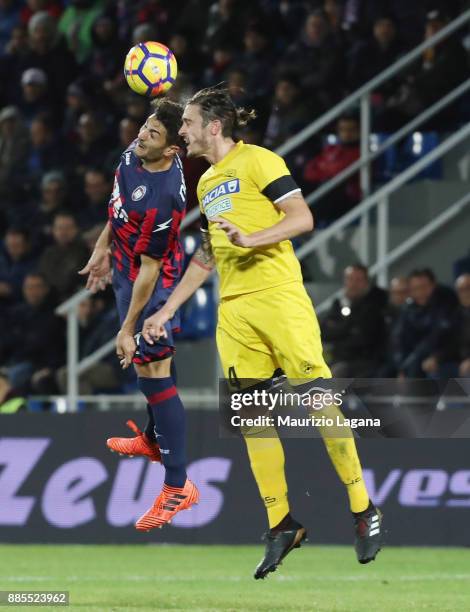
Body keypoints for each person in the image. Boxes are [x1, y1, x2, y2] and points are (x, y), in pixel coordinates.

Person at [141, 87, 383, 579]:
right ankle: (282, 524)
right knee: (252, 417)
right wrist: (166, 309)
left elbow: (302, 218)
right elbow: (207, 255)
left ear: (213, 126)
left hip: (278, 296)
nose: (180, 131)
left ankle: (362, 508)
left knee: (318, 400)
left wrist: (254, 238)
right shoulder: (206, 182)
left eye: (186, 123)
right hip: (234, 311)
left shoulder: (261, 161)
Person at [79, 98, 199, 531]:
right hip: (127, 270)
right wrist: (102, 247)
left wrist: (127, 328)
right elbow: (118, 206)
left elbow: (151, 267)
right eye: (144, 127)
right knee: (152, 375)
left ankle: (177, 485)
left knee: (154, 373)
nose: (141, 135)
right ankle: (151, 439)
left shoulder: (165, 196)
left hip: (154, 284)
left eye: (152, 133)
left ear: (171, 150)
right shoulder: (136, 153)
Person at [321, 264, 388, 377]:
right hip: (339, 359)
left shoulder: (377, 304)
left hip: (366, 361)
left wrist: (340, 327)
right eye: (350, 279)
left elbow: (364, 337)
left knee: (335, 374)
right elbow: (324, 332)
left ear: (366, 282)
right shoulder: (338, 303)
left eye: (358, 280)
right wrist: (348, 328)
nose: (353, 284)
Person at [392, 268, 458, 378]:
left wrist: (437, 357)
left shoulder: (447, 303)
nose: (420, 293)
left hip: (444, 357)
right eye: (415, 289)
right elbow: (398, 341)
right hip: (415, 360)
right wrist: (402, 366)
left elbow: (449, 338)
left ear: (433, 285)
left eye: (424, 287)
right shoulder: (408, 309)